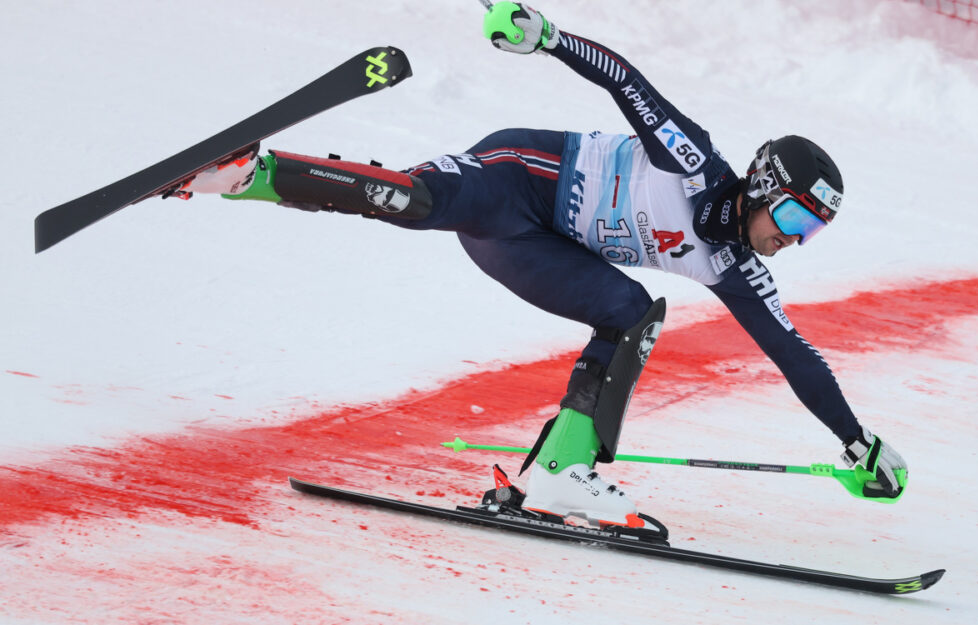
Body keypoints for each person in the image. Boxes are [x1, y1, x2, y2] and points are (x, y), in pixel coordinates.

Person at [177, 2, 908, 529]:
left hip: (529, 248)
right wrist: (549, 37)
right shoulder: (695, 164)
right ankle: (251, 175)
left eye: (809, 233)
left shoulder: (733, 265)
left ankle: (560, 471)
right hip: (519, 174)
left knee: (630, 313)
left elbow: (796, 356)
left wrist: (858, 441)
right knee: (416, 199)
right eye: (791, 218)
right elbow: (628, 81)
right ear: (762, 187)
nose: (791, 240)